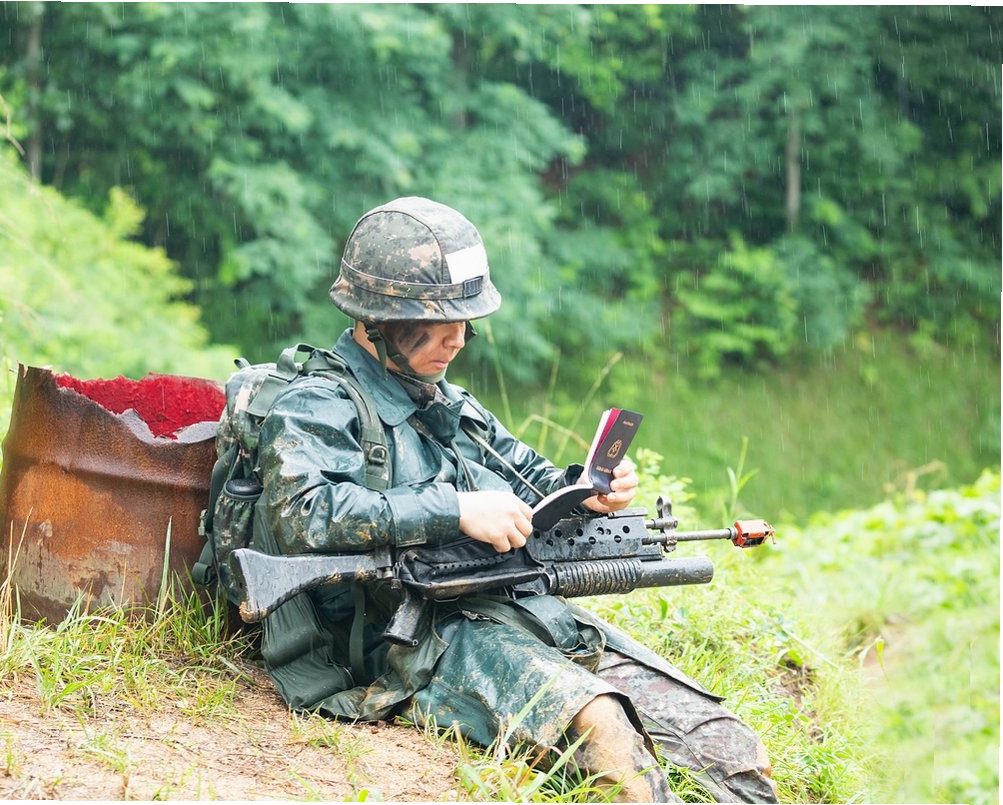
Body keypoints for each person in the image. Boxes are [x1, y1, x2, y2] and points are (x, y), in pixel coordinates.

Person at [250, 196, 778, 802]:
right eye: (438, 322)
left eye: (465, 321)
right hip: (403, 635)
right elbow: (303, 514)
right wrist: (454, 509)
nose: (458, 339)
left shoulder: (452, 404)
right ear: (376, 320)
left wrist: (588, 494)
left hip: (511, 603)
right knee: (604, 730)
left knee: (723, 743)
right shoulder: (317, 404)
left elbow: (530, 476)